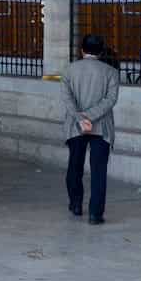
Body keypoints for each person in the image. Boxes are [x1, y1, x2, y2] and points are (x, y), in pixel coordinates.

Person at [61, 33, 120, 225]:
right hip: (101, 127)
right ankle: (95, 214)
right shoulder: (111, 72)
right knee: (98, 171)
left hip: (76, 127)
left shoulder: (69, 71)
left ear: (82, 50)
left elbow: (67, 100)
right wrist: (91, 117)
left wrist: (81, 118)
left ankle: (76, 204)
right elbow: (110, 101)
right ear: (101, 52)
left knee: (74, 167)